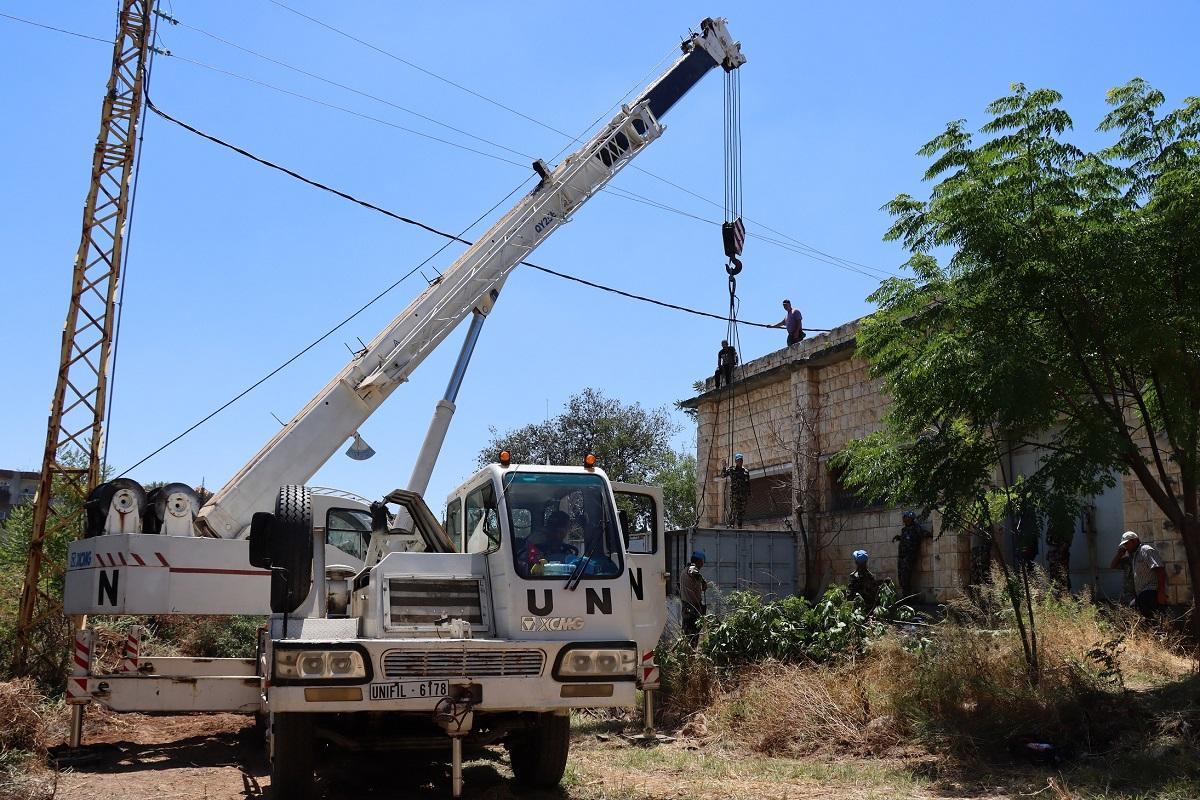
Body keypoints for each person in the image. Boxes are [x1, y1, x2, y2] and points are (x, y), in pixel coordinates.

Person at [1109, 530, 1167, 618]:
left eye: (1127, 544)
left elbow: (1160, 569)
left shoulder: (1146, 550)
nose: (1125, 547)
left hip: (1150, 591)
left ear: (1134, 541)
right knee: (1139, 614)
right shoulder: (1133, 556)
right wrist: (1120, 553)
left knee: (1151, 618)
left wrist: (1161, 592)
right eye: (1124, 545)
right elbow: (1113, 566)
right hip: (1141, 594)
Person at [521, 509, 576, 575]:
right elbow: (529, 558)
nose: (566, 532)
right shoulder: (538, 537)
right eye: (565, 528)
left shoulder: (561, 545)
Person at [893, 510, 931, 600]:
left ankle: (907, 598)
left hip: (909, 557)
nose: (904, 520)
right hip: (902, 557)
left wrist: (932, 534)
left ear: (911, 519)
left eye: (906, 518)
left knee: (905, 577)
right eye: (904, 518)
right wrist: (899, 537)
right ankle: (905, 596)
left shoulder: (916, 528)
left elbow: (923, 533)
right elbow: (906, 538)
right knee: (901, 577)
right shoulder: (904, 530)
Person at [680, 550, 708, 647]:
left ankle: (688, 652)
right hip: (691, 608)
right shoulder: (692, 568)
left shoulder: (685, 570)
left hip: (687, 606)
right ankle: (690, 652)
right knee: (693, 634)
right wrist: (703, 582)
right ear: (699, 561)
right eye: (702, 562)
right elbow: (694, 572)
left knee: (688, 634)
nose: (702, 565)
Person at [722, 454, 750, 528]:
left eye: (741, 460)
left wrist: (749, 493)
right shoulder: (732, 470)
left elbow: (748, 483)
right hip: (734, 495)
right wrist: (724, 467)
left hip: (743, 495)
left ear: (742, 461)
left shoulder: (746, 471)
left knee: (741, 511)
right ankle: (731, 525)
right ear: (735, 461)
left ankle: (739, 527)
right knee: (734, 510)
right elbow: (723, 475)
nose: (740, 462)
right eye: (738, 460)